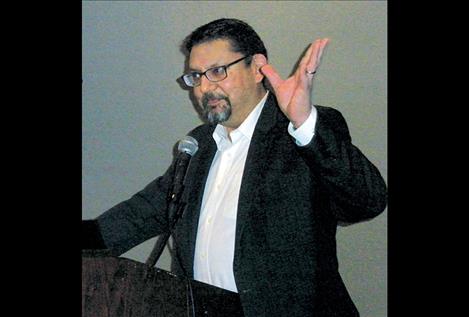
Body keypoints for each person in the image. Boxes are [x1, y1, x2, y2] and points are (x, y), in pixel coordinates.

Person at [83, 18, 387, 317]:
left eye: (217, 71)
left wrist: (304, 122)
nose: (203, 88)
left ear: (257, 68)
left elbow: (366, 202)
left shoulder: (301, 133)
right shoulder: (198, 147)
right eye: (196, 77)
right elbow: (133, 217)